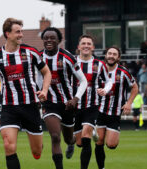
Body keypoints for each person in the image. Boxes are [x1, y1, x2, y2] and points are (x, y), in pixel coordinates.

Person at [0, 18, 51, 169]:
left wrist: (44, 90)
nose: (21, 35)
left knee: (37, 151)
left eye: (21, 31)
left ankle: (37, 145)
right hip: (9, 107)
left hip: (30, 106)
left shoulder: (30, 52)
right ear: (8, 34)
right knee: (8, 146)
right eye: (18, 32)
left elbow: (46, 72)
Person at [39, 27, 87, 169]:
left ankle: (71, 144)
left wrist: (76, 99)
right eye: (46, 38)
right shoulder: (38, 57)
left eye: (52, 38)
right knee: (55, 136)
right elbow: (35, 79)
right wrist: (39, 94)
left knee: (69, 138)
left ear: (59, 40)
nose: (49, 40)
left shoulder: (68, 58)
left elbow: (83, 81)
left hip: (68, 104)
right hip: (49, 103)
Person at [95, 46, 138, 169]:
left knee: (111, 144)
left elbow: (135, 87)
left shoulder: (124, 72)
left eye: (114, 54)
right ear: (106, 55)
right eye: (109, 53)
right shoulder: (97, 70)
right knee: (99, 142)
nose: (111, 56)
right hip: (99, 111)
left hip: (115, 113)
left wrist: (129, 103)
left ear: (118, 57)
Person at [73, 35, 112, 169]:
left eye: (89, 44)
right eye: (83, 43)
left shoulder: (99, 65)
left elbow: (109, 81)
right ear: (79, 47)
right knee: (79, 142)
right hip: (74, 106)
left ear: (93, 47)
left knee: (85, 137)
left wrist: (105, 90)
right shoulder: (72, 62)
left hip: (92, 105)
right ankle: (93, 133)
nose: (86, 46)